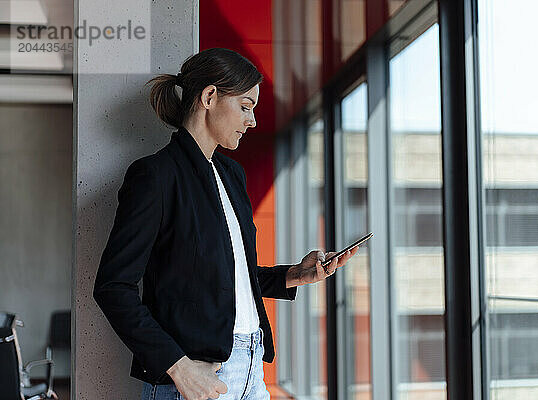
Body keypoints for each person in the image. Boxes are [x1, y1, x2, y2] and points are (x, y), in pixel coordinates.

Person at [93, 47, 359, 400]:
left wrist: (295, 274)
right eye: (246, 106)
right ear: (209, 96)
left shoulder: (232, 174)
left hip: (251, 368)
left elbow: (228, 277)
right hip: (195, 376)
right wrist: (178, 367)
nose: (253, 121)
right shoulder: (155, 176)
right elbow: (113, 287)